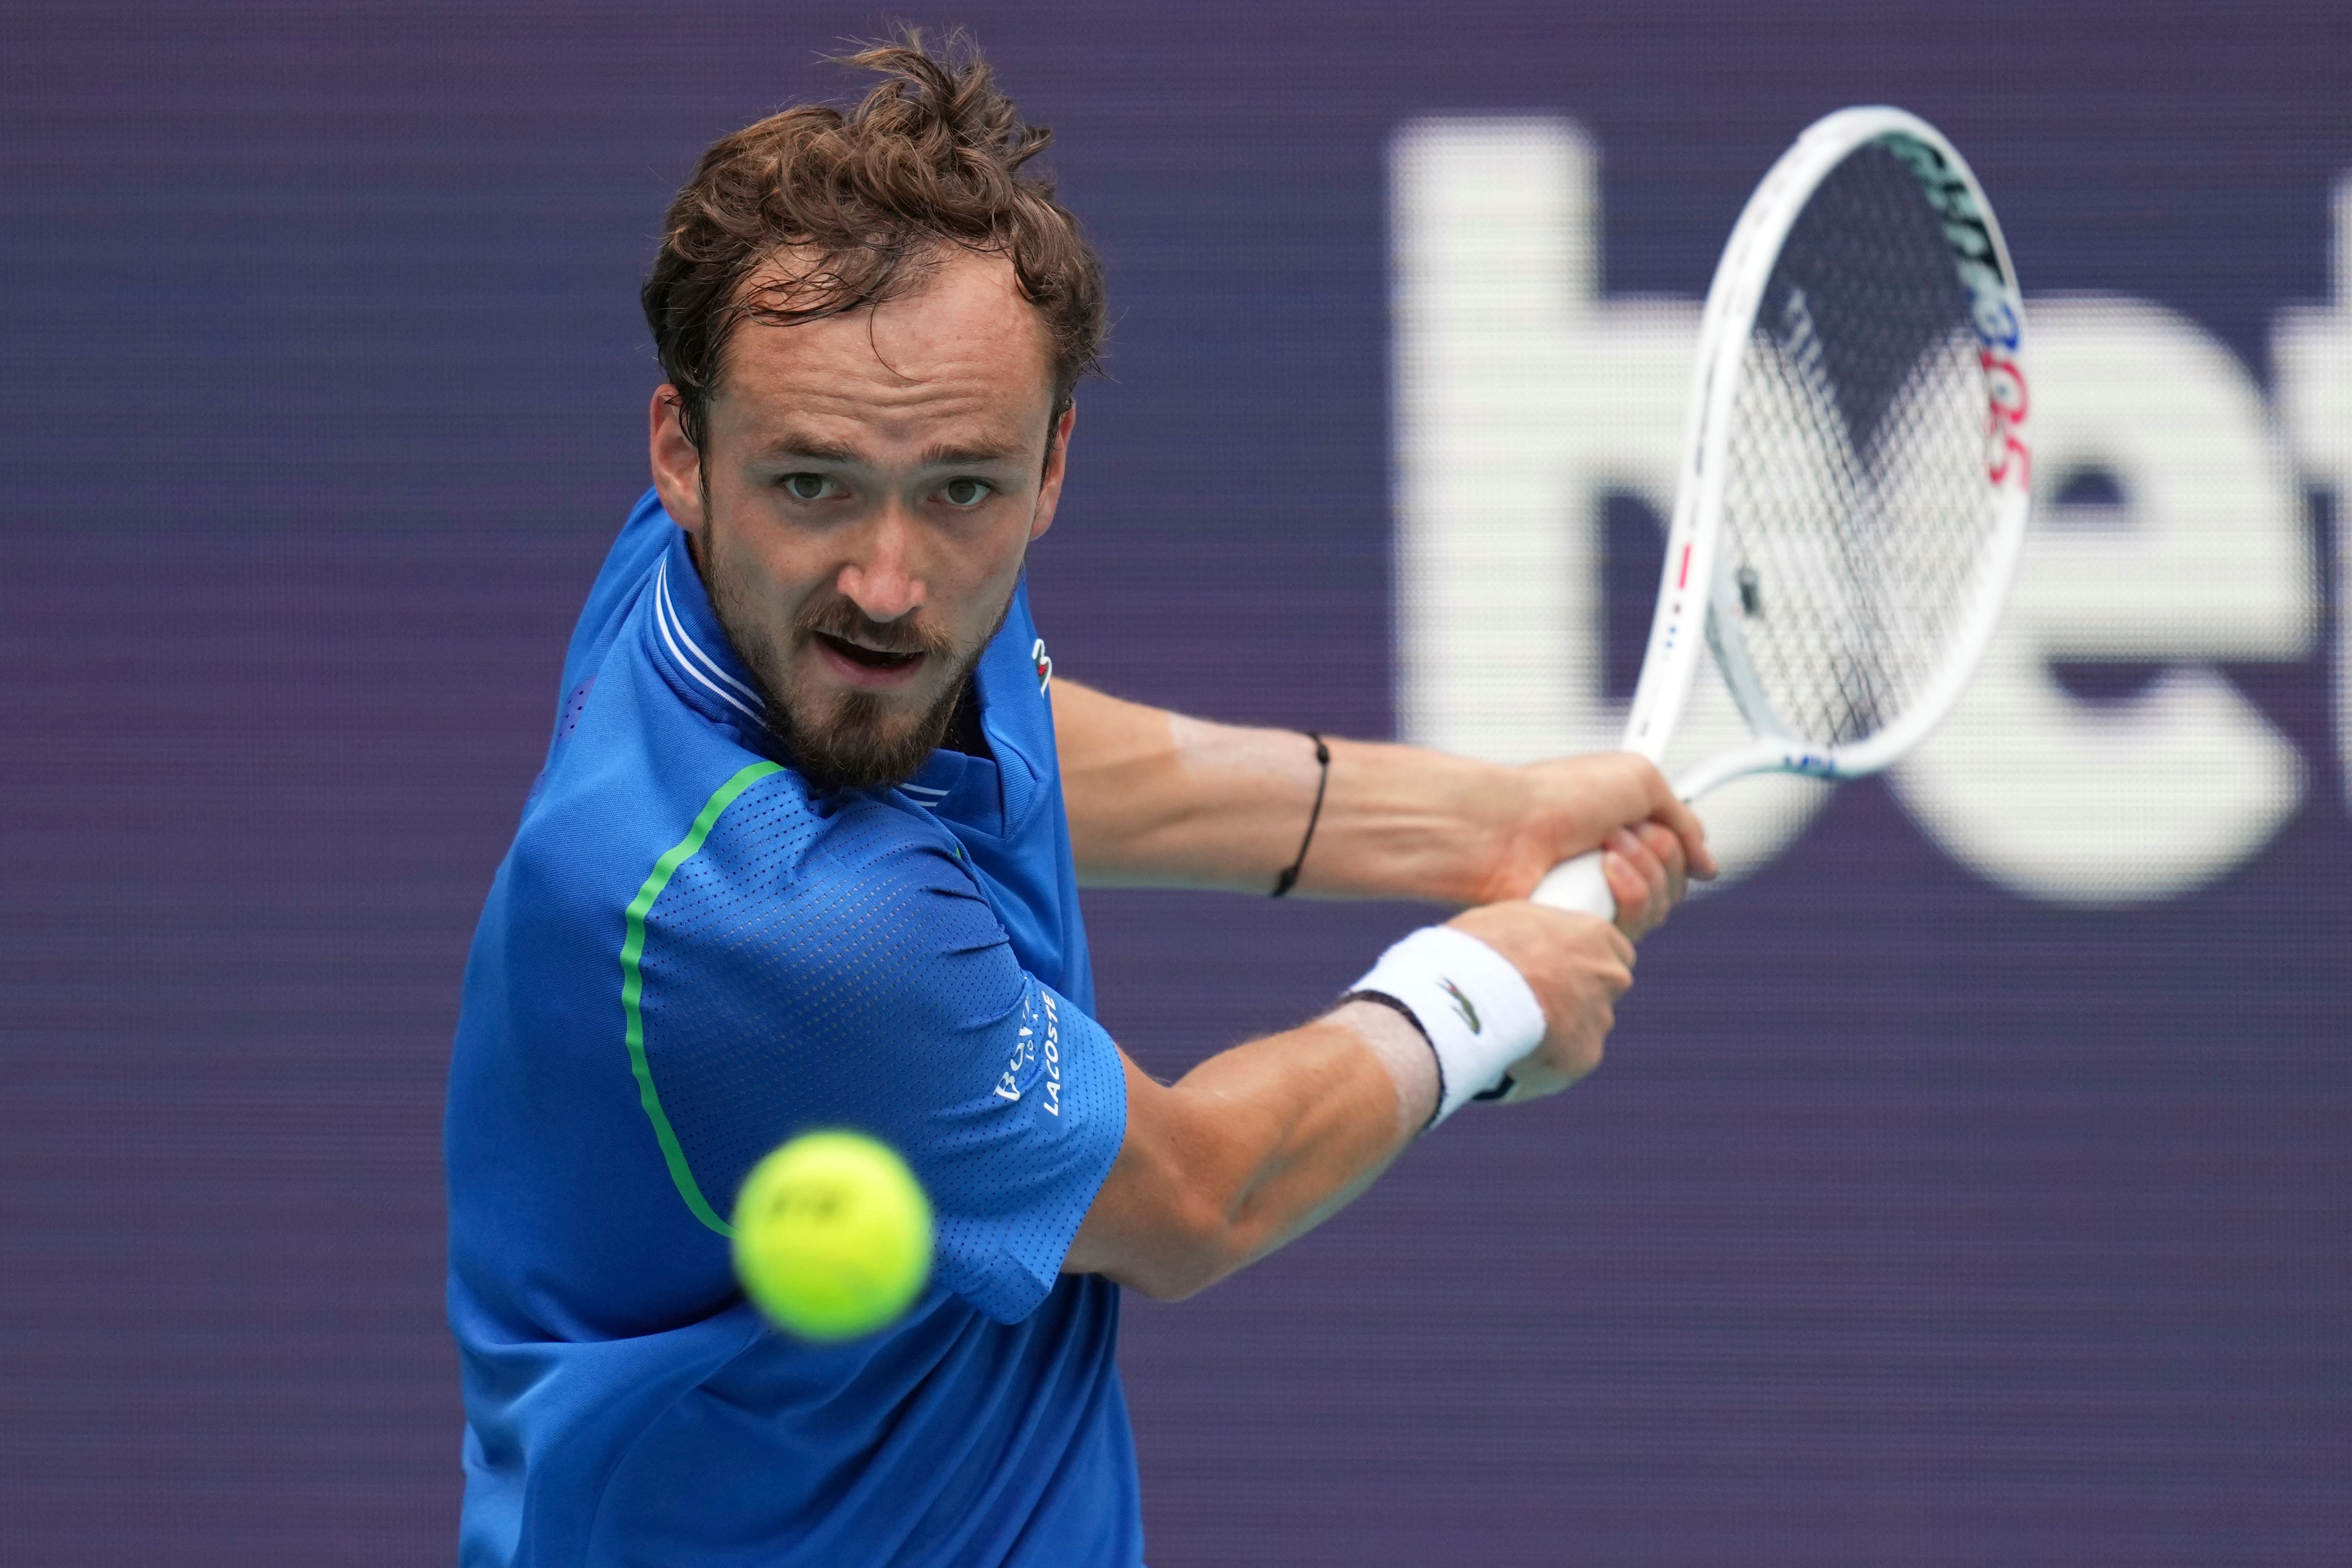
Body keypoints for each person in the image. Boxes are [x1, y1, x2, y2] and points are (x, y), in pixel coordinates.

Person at [443, 31, 1714, 1567]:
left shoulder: (718, 580)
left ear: (1051, 465)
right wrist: (1483, 1000)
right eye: (816, 485)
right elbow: (1194, 1201)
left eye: (962, 489)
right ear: (682, 453)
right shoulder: (799, 934)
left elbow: (1030, 750)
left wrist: (1475, 822)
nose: (891, 582)